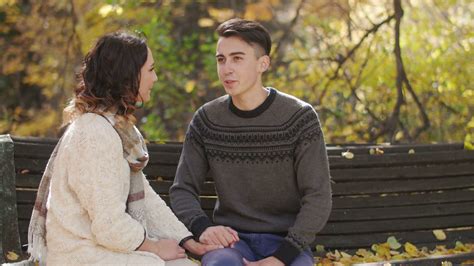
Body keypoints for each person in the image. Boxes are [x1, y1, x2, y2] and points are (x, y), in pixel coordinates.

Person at [27, 32, 219, 266]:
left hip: (104, 249)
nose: (155, 78)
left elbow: (144, 198)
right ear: (127, 76)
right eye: (150, 70)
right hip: (81, 256)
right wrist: (155, 247)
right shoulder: (94, 134)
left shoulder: (117, 128)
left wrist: (186, 240)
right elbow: (108, 225)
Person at [169, 18, 332, 266]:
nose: (226, 69)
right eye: (221, 59)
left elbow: (318, 196)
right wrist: (203, 228)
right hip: (232, 241)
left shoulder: (298, 117)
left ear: (262, 63)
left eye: (237, 58)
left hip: (286, 243)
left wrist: (281, 258)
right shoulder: (207, 120)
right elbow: (182, 189)